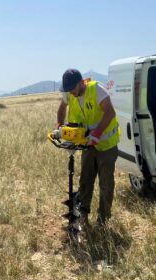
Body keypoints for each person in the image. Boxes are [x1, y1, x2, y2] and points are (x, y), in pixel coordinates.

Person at [56, 68, 120, 227]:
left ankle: (103, 219)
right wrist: (59, 127)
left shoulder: (96, 89)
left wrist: (97, 134)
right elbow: (62, 109)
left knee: (105, 184)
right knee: (85, 180)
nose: (70, 92)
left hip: (106, 144)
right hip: (87, 144)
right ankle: (83, 216)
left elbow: (110, 112)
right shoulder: (69, 93)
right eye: (68, 90)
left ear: (80, 83)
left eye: (72, 88)